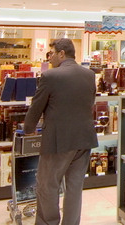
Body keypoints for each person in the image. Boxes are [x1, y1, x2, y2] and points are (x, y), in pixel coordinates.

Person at [23, 39, 98, 225]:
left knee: (48, 185)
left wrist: (28, 128)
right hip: (84, 139)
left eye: (51, 53)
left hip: (57, 141)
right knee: (74, 188)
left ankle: (48, 222)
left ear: (62, 54)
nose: (50, 57)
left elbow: (36, 106)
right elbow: (90, 103)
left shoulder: (50, 76)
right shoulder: (89, 75)